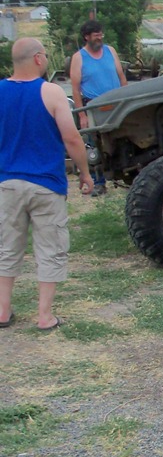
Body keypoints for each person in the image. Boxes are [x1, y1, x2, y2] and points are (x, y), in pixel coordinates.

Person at [0, 38, 94, 330]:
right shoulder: (51, 92)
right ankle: (45, 316)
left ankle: (2, 312)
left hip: (7, 183)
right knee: (50, 249)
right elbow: (71, 137)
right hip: (46, 184)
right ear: (39, 59)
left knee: (6, 248)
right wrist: (84, 173)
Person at [70, 20, 128, 196]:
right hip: (93, 106)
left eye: (101, 35)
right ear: (87, 37)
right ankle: (99, 183)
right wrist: (82, 115)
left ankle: (125, 175)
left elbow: (121, 77)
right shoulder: (78, 58)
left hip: (116, 104)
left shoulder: (110, 51)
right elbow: (75, 89)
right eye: (96, 36)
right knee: (94, 146)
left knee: (121, 140)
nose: (99, 38)